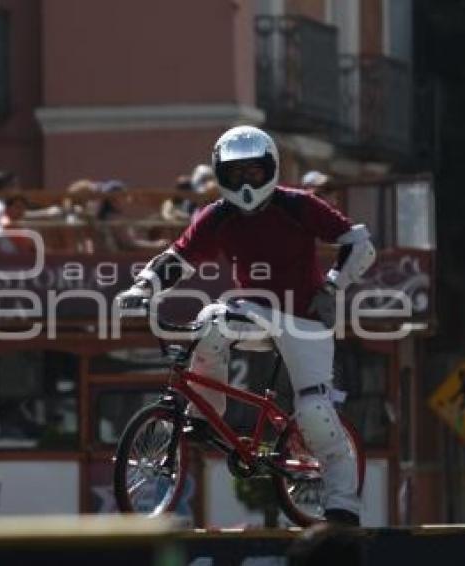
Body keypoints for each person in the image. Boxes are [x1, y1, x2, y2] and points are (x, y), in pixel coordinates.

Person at [116, 125, 376, 526]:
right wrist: (143, 287)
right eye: (235, 174)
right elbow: (178, 258)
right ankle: (206, 414)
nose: (245, 181)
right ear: (221, 175)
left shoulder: (298, 205)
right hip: (252, 310)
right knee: (210, 321)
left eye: (253, 171)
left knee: (315, 413)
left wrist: (332, 286)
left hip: (304, 316)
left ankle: (343, 505)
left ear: (270, 166)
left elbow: (358, 242)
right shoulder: (217, 216)